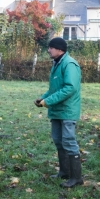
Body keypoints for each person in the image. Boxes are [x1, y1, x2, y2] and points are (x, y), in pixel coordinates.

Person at [35, 37, 83, 188]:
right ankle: (64, 172)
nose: (48, 50)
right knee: (58, 140)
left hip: (67, 110)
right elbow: (54, 89)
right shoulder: (57, 64)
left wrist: (48, 102)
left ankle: (77, 178)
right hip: (57, 110)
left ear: (60, 49)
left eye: (51, 47)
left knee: (68, 141)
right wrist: (43, 98)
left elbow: (70, 88)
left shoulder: (69, 64)